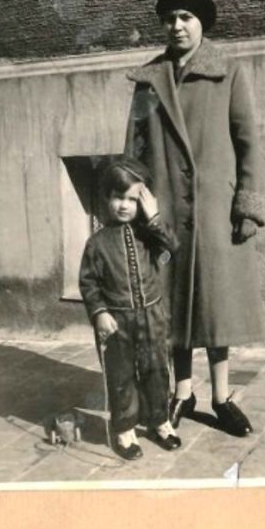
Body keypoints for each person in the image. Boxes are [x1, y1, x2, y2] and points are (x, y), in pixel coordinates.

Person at [124, 0, 265, 438]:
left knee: (214, 307)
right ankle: (182, 392)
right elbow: (135, 149)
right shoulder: (149, 79)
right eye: (169, 18)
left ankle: (222, 398)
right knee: (172, 303)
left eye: (186, 17)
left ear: (202, 22)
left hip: (213, 212)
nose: (177, 26)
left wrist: (246, 204)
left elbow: (249, 145)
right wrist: (134, 205)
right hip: (163, 209)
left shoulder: (228, 72)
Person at [77, 157, 182, 461]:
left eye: (132, 199)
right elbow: (89, 283)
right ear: (107, 197)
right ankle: (125, 430)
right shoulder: (97, 244)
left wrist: (154, 216)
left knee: (157, 370)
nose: (124, 205)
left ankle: (160, 422)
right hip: (117, 321)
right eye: (118, 197)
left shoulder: (149, 233)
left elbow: (172, 247)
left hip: (152, 315)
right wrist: (100, 313)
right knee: (121, 376)